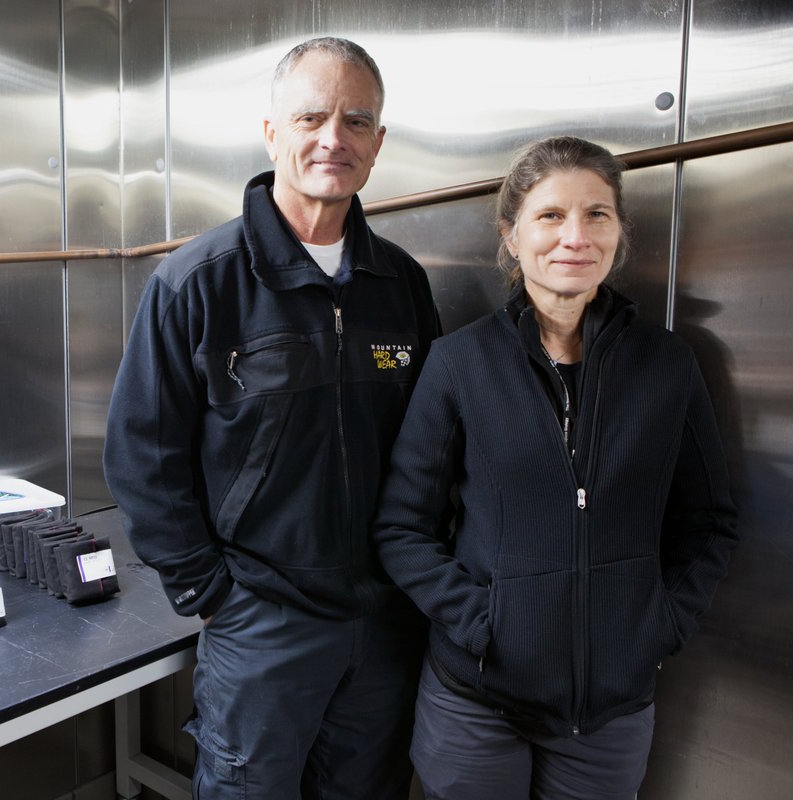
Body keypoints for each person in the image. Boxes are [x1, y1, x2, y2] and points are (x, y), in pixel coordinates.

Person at [103, 37, 441, 800]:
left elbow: (432, 448)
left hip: (385, 626)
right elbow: (141, 457)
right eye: (311, 117)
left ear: (378, 143)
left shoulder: (402, 286)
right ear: (271, 133)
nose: (333, 138)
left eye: (357, 121)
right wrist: (211, 593)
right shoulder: (198, 283)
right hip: (263, 625)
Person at [373, 136, 740, 799]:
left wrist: (659, 625)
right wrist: (483, 625)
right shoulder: (459, 364)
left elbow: (710, 522)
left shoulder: (668, 365)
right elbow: (402, 529)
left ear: (618, 233)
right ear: (511, 236)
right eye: (550, 215)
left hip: (611, 711)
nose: (576, 236)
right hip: (476, 700)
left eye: (597, 214)